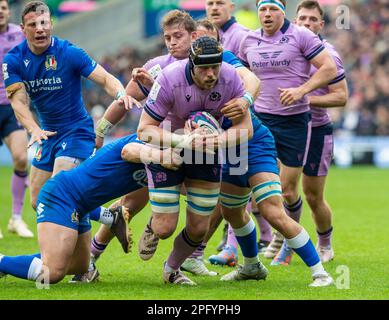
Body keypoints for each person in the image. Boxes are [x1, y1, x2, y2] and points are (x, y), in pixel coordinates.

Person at [136, 36, 256, 286]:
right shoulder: (169, 78)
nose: (211, 74)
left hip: (208, 150)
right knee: (165, 227)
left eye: (216, 67)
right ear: (191, 64)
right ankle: (154, 223)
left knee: (199, 227)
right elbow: (144, 130)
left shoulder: (231, 77)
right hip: (170, 147)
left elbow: (246, 129)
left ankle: (172, 269)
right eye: (204, 68)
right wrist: (184, 141)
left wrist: (219, 141)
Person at [2, 1, 138, 217]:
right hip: (47, 134)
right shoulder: (14, 60)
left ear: (51, 24)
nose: (40, 28)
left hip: (76, 131)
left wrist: (121, 94)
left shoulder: (69, 52)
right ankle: (111, 218)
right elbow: (18, 101)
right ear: (22, 29)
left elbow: (104, 78)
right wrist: (33, 129)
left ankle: (64, 249)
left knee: (58, 193)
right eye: (33, 24)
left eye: (44, 22)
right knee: (37, 201)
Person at [0, 133, 181, 284]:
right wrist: (162, 156)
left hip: (82, 208)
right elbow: (128, 151)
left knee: (79, 266)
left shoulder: (173, 161)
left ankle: (17, 263)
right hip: (61, 195)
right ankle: (2, 262)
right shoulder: (149, 140)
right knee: (53, 272)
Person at [238, 0, 337, 264]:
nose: (267, 14)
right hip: (261, 120)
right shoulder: (248, 40)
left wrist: (302, 91)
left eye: (273, 9)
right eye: (263, 9)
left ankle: (293, 242)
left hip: (295, 121)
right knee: (253, 185)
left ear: (283, 12)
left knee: (289, 190)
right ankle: (274, 244)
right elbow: (236, 73)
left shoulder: (300, 36)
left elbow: (329, 68)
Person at [273, 0, 348, 265]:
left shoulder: (329, 56)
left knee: (313, 196)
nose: (306, 23)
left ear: (321, 24)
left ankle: (325, 243)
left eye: (312, 20)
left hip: (316, 130)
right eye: (302, 19)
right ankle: (287, 244)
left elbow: (341, 97)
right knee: (285, 190)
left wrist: (303, 97)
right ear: (294, 21)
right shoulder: (283, 50)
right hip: (289, 127)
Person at [0, 0, 33, 238]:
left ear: (8, 11)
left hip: (13, 106)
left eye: (2, 7)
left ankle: (16, 219)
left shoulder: (17, 35)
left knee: (22, 158)